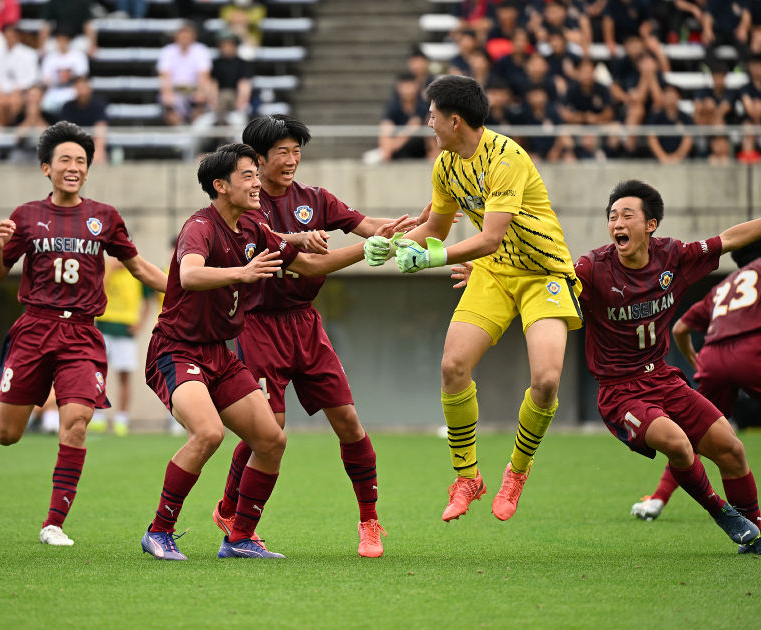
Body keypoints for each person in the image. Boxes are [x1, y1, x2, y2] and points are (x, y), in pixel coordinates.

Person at [140, 142, 411, 561]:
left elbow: (311, 265)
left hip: (219, 353)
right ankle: (159, 531)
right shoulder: (201, 226)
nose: (255, 184)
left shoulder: (253, 228)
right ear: (220, 186)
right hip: (178, 350)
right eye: (247, 176)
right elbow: (190, 274)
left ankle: (239, 537)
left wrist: (372, 248)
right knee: (209, 433)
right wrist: (243, 273)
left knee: (270, 440)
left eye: (254, 174)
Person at [364, 74, 583, 524]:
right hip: (495, 274)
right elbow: (436, 231)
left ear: (455, 120)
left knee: (545, 381)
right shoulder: (445, 165)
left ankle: (517, 472)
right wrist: (392, 245)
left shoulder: (506, 158)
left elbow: (489, 237)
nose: (428, 123)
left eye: (432, 116)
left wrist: (429, 260)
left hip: (543, 274)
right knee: (452, 366)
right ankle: (467, 477)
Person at [216, 114, 429, 558]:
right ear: (257, 158)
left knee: (349, 423)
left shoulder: (314, 198)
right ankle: (236, 523)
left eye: (297, 151)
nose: (292, 160)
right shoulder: (246, 209)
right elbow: (306, 263)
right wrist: (365, 251)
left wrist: (406, 229)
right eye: (282, 152)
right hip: (258, 326)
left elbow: (364, 224)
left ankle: (370, 522)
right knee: (268, 432)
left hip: (306, 324)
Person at [0, 122, 168, 548]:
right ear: (46, 168)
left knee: (78, 423)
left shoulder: (105, 217)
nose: (73, 167)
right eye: (64, 160)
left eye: (81, 161)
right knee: (9, 435)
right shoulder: (25, 216)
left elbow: (138, 267)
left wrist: (184, 287)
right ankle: (3, 414)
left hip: (83, 332)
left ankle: (53, 523)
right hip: (34, 328)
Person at [575, 179, 761, 554]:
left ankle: (756, 532)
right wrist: (488, 275)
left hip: (662, 378)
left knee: (732, 449)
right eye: (612, 217)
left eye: (627, 215)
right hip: (619, 391)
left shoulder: (673, 256)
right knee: (677, 442)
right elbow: (544, 277)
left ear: (650, 225)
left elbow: (729, 239)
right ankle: (723, 514)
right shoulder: (592, 268)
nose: (617, 224)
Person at [630, 239, 761, 523]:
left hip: (713, 358)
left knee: (692, 435)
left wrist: (694, 357)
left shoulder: (725, 286)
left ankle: (657, 500)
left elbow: (681, 327)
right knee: (714, 440)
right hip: (752, 351)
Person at [88, 258, 154, 436]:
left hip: (126, 329)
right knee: (98, 372)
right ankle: (98, 416)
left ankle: (121, 419)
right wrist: (110, 270)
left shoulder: (137, 270)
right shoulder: (104, 268)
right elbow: (95, 291)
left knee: (124, 375)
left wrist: (140, 323)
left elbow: (148, 299)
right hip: (104, 326)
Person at [156, 21, 212, 126]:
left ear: (193, 37)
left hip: (194, 88)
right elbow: (165, 75)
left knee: (204, 93)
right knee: (167, 99)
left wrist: (201, 93)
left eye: (187, 36)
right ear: (176, 37)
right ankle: (179, 128)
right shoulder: (168, 51)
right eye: (182, 36)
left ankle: (194, 126)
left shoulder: (201, 50)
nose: (184, 39)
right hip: (175, 88)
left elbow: (204, 76)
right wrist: (167, 93)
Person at [0, 23, 40, 128]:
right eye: (7, 36)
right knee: (1, 102)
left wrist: (18, 89)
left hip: (21, 91)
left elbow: (32, 77)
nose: (9, 39)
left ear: (17, 36)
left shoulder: (29, 54)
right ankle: (2, 131)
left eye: (12, 36)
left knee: (14, 101)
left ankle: (10, 129)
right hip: (1, 91)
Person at [59, 75, 108, 162]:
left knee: (100, 153)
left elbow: (100, 130)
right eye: (79, 88)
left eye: (83, 87)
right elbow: (66, 132)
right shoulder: (67, 107)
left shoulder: (98, 106)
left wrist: (97, 150)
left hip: (93, 143)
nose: (82, 91)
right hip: (74, 144)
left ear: (89, 88)